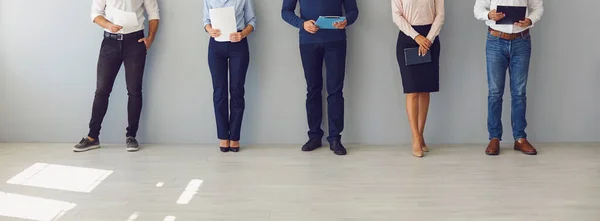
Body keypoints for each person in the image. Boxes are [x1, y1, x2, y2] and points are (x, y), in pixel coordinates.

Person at [74, 0, 160, 152]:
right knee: (101, 90)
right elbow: (95, 13)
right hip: (110, 42)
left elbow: (153, 13)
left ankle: (131, 136)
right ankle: (92, 137)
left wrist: (150, 38)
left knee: (134, 91)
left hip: (135, 43)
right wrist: (108, 25)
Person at [282, 0, 359, 156]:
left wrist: (346, 20)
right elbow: (285, 11)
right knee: (313, 89)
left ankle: (335, 138)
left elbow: (353, 11)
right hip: (308, 42)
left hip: (336, 42)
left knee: (335, 90)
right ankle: (314, 136)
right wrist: (302, 24)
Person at [474, 0, 543, 156]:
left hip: (522, 41)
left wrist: (530, 20)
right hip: (495, 41)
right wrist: (488, 15)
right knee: (495, 92)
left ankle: (520, 138)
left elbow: (538, 7)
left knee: (519, 92)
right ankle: (494, 138)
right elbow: (478, 8)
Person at [392, 0, 445, 158]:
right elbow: (396, 15)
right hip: (408, 37)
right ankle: (415, 137)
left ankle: (421, 135)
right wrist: (417, 37)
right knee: (412, 90)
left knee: (425, 90)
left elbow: (440, 15)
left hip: (431, 38)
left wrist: (428, 38)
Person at [203, 0, 256, 152]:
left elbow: (252, 21)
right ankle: (223, 137)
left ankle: (234, 137)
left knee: (237, 90)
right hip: (216, 46)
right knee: (219, 92)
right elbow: (205, 20)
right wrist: (209, 29)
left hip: (238, 45)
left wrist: (242, 34)